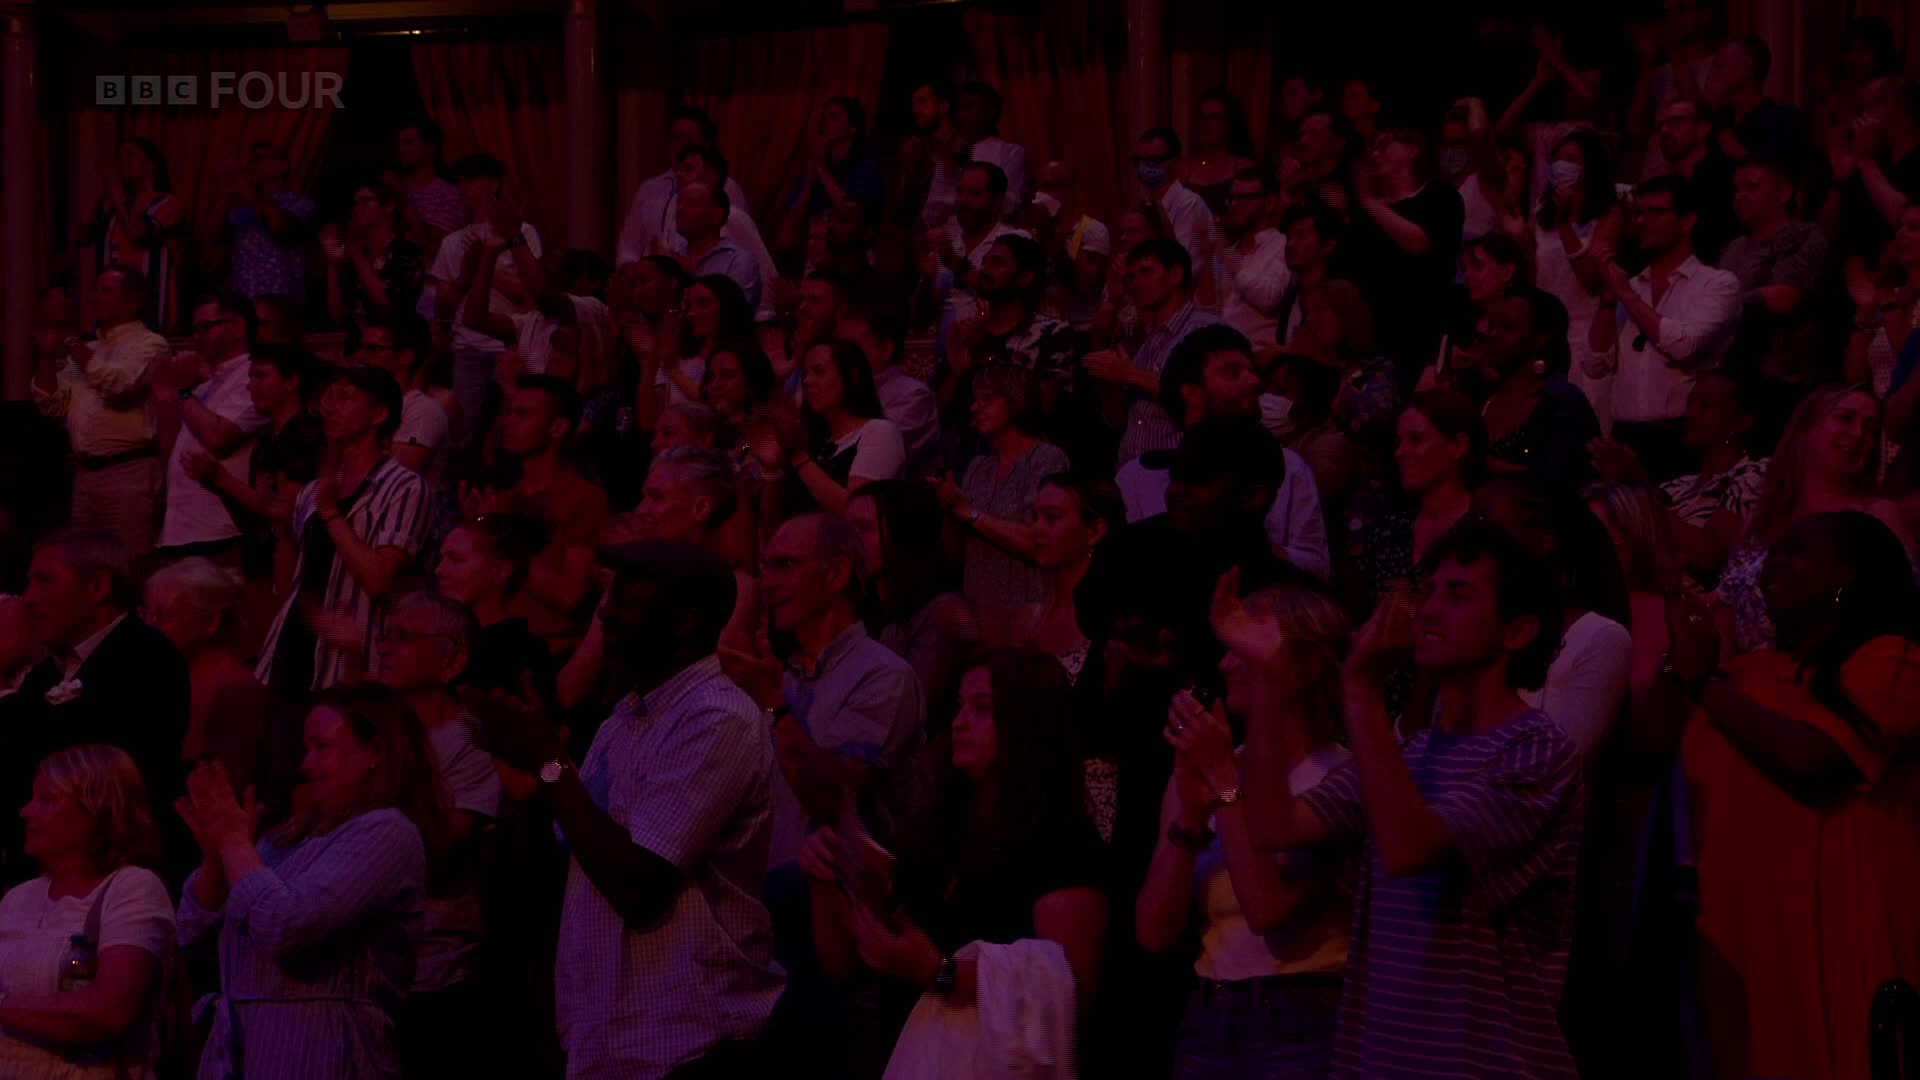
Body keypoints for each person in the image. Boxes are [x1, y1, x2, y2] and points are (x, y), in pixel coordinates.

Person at [1241, 521, 1584, 1077]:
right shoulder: (1409, 751)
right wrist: (1266, 677)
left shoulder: (1537, 752)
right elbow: (1274, 827)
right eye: (1428, 592)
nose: (1428, 611)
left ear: (1518, 631)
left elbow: (1409, 849)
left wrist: (1362, 690)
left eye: (1458, 596)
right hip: (1383, 1058)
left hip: (1481, 1062)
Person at [468, 540, 785, 1077]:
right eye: (607, 597)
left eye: (627, 601)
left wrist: (548, 761)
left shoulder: (717, 718)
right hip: (614, 1036)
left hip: (688, 1040)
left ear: (684, 621)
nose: (605, 613)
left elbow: (639, 884)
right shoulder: (624, 718)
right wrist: (534, 759)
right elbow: (583, 846)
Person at [1662, 511, 1920, 1080]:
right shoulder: (1745, 677)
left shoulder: (1896, 660)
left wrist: (1703, 682)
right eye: (1771, 553)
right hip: (1752, 951)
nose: (1772, 565)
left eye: (1797, 550)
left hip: (1851, 937)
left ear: (1849, 572)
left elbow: (1812, 759)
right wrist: (1683, 662)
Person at [801, 650, 1108, 1063]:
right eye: (959, 706)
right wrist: (824, 879)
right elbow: (844, 966)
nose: (959, 722)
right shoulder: (937, 831)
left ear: (1028, 723)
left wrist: (939, 972)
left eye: (981, 708)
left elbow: (1070, 993)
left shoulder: (1064, 842)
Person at [1139, 582, 1353, 1078]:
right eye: (1226, 649)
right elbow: (1153, 932)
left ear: (1307, 665)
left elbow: (1268, 910)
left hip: (1300, 1021)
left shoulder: (1340, 778)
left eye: (1245, 648)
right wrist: (1191, 820)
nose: (1225, 665)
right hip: (1208, 1012)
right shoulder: (1211, 766)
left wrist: (1224, 783)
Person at [175, 684, 442, 1080]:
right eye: (306, 749)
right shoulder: (286, 839)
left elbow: (286, 926)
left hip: (322, 1049)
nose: (306, 764)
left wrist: (233, 841)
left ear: (375, 751)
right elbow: (191, 933)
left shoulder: (388, 833)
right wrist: (216, 859)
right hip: (247, 1049)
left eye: (321, 747)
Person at [370, 592, 500, 1076]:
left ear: (453, 660)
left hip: (431, 969)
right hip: (364, 964)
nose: (385, 648)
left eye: (403, 637)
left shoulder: (471, 739)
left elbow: (437, 847)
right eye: (385, 636)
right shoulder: (369, 731)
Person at [14, 530, 190, 874]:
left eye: (44, 581)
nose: (29, 598)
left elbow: (118, 783)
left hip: (112, 870)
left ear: (97, 586)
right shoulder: (42, 677)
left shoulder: (148, 660)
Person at [0, 745, 175, 1079]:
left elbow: (107, 1010)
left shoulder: (131, 888)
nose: (25, 811)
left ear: (97, 811)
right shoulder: (18, 898)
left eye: (47, 800)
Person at [255, 365, 429, 696]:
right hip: (288, 654)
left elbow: (379, 579)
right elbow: (290, 585)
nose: (330, 408)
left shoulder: (405, 487)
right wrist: (282, 533)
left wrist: (332, 515)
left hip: (349, 662)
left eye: (344, 397)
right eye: (328, 397)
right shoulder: (313, 490)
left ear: (378, 414)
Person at [1120, 327, 1332, 578]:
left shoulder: (1289, 466)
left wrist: (1250, 556)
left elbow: (1318, 567)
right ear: (1191, 392)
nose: (1254, 381)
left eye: (1252, 371)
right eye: (1232, 372)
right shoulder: (1137, 477)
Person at [1717, 384, 1909, 654]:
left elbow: (1904, 602)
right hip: (1746, 668)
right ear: (1806, 428)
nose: (1858, 434)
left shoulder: (1876, 513)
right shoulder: (1762, 516)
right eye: (1845, 418)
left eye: (1871, 430)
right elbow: (1724, 605)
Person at [1588, 176, 1742, 481]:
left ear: (1687, 221)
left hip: (1683, 437)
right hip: (1626, 434)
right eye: (1638, 213)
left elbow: (1683, 345)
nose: (1642, 222)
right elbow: (1595, 365)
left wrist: (1626, 296)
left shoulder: (1716, 284)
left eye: (1655, 212)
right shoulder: (1630, 287)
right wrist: (1607, 302)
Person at [1473, 474, 1634, 755]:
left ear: (1544, 539)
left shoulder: (1600, 637)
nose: (1468, 540)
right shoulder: (1473, 626)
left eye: (1486, 526)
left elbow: (1557, 762)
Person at [31, 265, 170, 559]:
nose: (96, 297)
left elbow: (118, 385)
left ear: (133, 301)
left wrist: (71, 340)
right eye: (95, 290)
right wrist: (46, 354)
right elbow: (53, 405)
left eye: (106, 291)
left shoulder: (150, 344)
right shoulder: (88, 348)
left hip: (128, 475)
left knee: (129, 565)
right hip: (84, 476)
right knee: (84, 566)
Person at [1590, 369, 1769, 579]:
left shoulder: (1754, 475)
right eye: (1689, 404)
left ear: (1741, 422)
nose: (1689, 414)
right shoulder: (1677, 487)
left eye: (1705, 406)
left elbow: (1710, 555)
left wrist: (1638, 487)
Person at [937, 364, 1072, 628]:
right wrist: (949, 511)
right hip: (979, 619)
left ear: (1016, 399)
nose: (975, 408)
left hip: (1028, 617)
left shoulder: (1047, 460)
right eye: (974, 400)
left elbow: (1040, 541)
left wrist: (969, 513)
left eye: (987, 399)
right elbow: (955, 555)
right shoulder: (978, 467)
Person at [1330, 128, 1466, 380]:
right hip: (1370, 334)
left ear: (1412, 150)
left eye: (1384, 145)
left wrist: (1367, 200)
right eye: (1373, 149)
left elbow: (1419, 243)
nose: (1375, 154)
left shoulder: (1439, 195)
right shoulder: (1367, 211)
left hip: (1419, 328)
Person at [427, 153, 544, 444]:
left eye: (470, 180)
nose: (463, 188)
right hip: (466, 348)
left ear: (493, 184)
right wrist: (467, 274)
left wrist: (487, 264)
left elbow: (533, 294)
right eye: (460, 181)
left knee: (513, 426)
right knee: (465, 432)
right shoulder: (452, 242)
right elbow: (442, 306)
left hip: (510, 346)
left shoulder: (522, 233)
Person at [487, 376, 609, 654]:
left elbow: (570, 596)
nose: (507, 422)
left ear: (558, 427)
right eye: (508, 412)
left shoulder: (585, 498)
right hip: (494, 639)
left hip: (549, 648)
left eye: (522, 414)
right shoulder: (502, 498)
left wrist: (503, 533)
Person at [845, 480, 977, 727]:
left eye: (864, 528)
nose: (849, 542)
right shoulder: (874, 612)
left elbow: (899, 713)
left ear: (903, 533)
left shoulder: (945, 616)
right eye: (847, 530)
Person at [1088, 238, 1222, 467]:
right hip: (1130, 473)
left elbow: (1211, 402)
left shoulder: (1206, 330)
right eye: (1132, 277)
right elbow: (1116, 418)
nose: (1136, 283)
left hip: (1179, 474)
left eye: (1146, 272)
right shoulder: (1145, 342)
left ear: (1175, 275)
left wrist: (1131, 374)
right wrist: (1110, 382)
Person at [158, 292, 271, 557]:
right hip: (181, 526)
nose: (197, 337)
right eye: (194, 330)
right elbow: (170, 451)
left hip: (221, 528)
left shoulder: (254, 378)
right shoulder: (206, 386)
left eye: (206, 327)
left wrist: (183, 390)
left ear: (239, 327)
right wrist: (166, 397)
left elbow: (218, 438)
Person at [1352, 388, 1484, 613]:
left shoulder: (1482, 530)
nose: (1400, 452)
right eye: (1399, 442)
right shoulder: (1391, 530)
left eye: (1416, 439)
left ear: (1458, 446)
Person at [142, 558, 269, 791]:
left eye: (163, 615)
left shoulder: (235, 691)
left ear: (210, 622)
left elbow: (227, 787)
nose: (149, 625)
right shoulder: (162, 679)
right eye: (147, 614)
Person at [751, 340, 906, 519]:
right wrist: (771, 468)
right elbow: (772, 523)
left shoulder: (879, 432)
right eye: (805, 374)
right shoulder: (810, 438)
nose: (807, 381)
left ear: (852, 376)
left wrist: (799, 457)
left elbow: (857, 512)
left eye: (819, 371)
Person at [1533, 129, 1622, 430]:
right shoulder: (1538, 216)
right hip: (1545, 334)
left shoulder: (1609, 215)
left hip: (1586, 332)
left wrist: (1564, 224)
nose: (1562, 165)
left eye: (1571, 159)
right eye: (1557, 158)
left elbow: (1591, 278)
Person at [1468, 289, 1602, 488]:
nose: (1492, 335)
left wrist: (1483, 467)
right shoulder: (1484, 396)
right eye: (1492, 326)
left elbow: (1562, 481)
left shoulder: (1561, 402)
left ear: (1541, 338)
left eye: (1507, 327)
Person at [1718, 157, 1828, 382]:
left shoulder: (1804, 235)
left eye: (1751, 187)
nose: (1739, 197)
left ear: (1784, 192)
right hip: (1725, 364)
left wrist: (1714, 303)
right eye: (1736, 189)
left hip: (1778, 374)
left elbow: (1784, 297)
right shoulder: (1733, 246)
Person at [433, 511, 557, 706]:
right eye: (441, 559)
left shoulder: (518, 653)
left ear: (500, 571)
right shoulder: (444, 641)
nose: (438, 570)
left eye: (456, 560)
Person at [614, 106, 751, 270]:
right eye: (674, 137)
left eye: (686, 138)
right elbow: (629, 246)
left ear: (705, 144)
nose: (678, 144)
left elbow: (738, 247)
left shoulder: (727, 189)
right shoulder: (649, 189)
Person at [80, 138, 184, 333]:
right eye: (119, 158)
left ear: (151, 165)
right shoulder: (110, 206)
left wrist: (116, 195)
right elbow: (81, 233)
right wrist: (103, 190)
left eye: (130, 155)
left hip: (149, 309)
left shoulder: (167, 202)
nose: (123, 163)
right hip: (111, 314)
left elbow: (137, 233)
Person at [838, 307, 939, 480]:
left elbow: (870, 456)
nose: (838, 358)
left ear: (885, 349)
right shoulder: (841, 391)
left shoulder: (912, 395)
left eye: (849, 350)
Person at [359, 310, 452, 487]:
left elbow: (390, 480)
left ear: (405, 356)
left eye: (372, 349)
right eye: (361, 347)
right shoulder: (363, 404)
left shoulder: (423, 411)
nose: (361, 356)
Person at [1133, 127, 1220, 305]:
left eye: (1153, 160)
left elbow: (1183, 267)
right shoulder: (1145, 205)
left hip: (1188, 302)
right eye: (1139, 160)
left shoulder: (1189, 204)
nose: (1144, 166)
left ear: (1175, 163)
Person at [323, 181, 427, 326]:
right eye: (355, 203)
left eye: (365, 201)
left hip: (396, 336)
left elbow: (388, 305)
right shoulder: (355, 255)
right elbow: (338, 315)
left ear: (389, 207)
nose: (357, 208)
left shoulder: (407, 251)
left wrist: (356, 251)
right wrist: (332, 265)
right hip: (358, 337)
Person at [224, 142, 315, 302]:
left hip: (280, 297)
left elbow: (280, 226)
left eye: (259, 158)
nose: (252, 165)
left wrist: (247, 190)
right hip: (243, 296)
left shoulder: (300, 203)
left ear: (282, 167)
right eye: (251, 160)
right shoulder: (242, 209)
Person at [1702, 34, 1808, 165]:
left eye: (1719, 66)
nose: (1711, 73)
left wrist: (1741, 153)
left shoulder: (1783, 119)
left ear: (1748, 66)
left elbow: (1783, 168)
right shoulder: (1718, 121)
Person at [1218, 167, 1290, 354]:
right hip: (1217, 356)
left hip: (1257, 357)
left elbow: (1268, 298)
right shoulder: (1226, 253)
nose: (1235, 205)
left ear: (1270, 203)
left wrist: (1228, 259)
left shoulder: (1283, 246)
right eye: (1232, 198)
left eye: (1245, 198)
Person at [787, 96, 884, 223]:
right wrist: (810, 181)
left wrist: (820, 167)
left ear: (852, 127)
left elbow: (850, 211)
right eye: (824, 117)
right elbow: (793, 216)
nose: (825, 122)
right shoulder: (821, 161)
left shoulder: (865, 166)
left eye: (833, 117)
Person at [672, 182, 762, 315]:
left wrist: (689, 277)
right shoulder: (673, 257)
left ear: (717, 215)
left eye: (691, 204)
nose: (680, 210)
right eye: (678, 203)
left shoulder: (739, 261)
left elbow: (735, 314)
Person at [390, 117, 468, 248]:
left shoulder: (450, 194)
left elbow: (439, 248)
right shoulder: (387, 188)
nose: (401, 149)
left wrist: (403, 199)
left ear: (431, 147)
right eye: (398, 144)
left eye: (409, 142)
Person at [954, 82, 1028, 218]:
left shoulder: (1010, 152)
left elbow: (1011, 201)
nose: (961, 115)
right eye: (959, 109)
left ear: (990, 112)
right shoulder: (947, 153)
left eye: (967, 107)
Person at [1182, 91, 1259, 216]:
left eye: (1215, 118)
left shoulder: (1243, 167)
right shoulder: (1184, 169)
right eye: (1203, 118)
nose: (1207, 124)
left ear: (1229, 122)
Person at [1276, 205, 1339, 343]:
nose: (1290, 244)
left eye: (1301, 236)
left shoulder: (1339, 295)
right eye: (1289, 237)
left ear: (1327, 245)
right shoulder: (1290, 295)